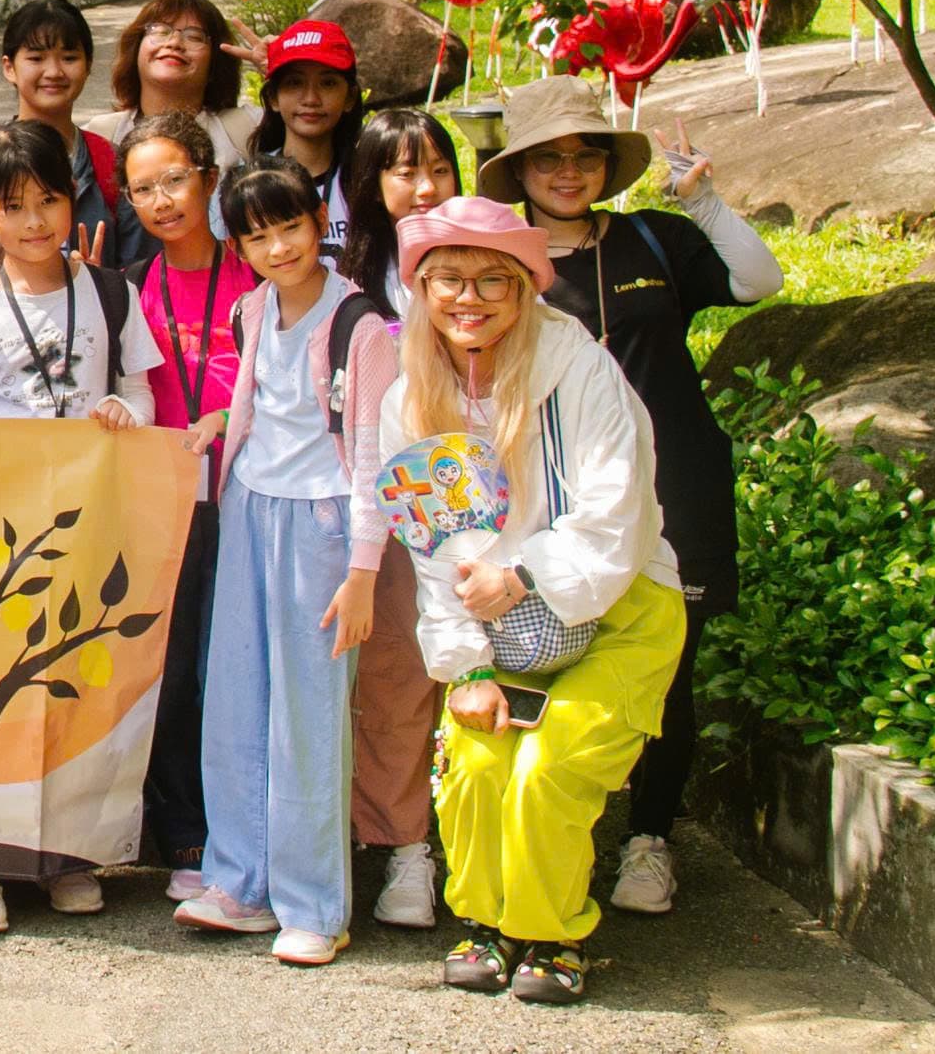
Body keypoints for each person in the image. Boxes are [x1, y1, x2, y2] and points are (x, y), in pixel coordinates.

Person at [473, 75, 782, 916]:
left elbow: (760, 282)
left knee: (665, 665)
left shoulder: (655, 240)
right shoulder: (497, 260)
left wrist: (706, 201)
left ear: (606, 165)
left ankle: (649, 838)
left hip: (672, 479)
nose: (567, 172)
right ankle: (543, 831)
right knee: (534, 651)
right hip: (545, 494)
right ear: (520, 168)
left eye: (583, 155)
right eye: (548, 158)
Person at [380, 195, 685, 1004]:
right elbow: (431, 545)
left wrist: (523, 572)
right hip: (494, 624)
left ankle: (554, 933)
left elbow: (619, 507)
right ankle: (485, 923)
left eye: (491, 280)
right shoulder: (407, 396)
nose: (467, 298)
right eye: (446, 279)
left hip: (620, 608)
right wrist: (464, 665)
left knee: (550, 766)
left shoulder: (577, 366)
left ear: (524, 287)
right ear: (420, 287)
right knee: (475, 756)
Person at [0, 120, 163, 934]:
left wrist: (125, 411)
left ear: (73, 200)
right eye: (14, 206)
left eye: (50, 201)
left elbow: (144, 390)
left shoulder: (112, 291)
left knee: (74, 684)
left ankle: (67, 855)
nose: (35, 222)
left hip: (91, 519)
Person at [173, 156, 395, 967]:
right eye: (258, 233)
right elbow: (254, 404)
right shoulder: (251, 309)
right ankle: (240, 880)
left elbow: (374, 454)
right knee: (235, 700)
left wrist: (365, 568)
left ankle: (315, 903)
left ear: (318, 222)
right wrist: (213, 426)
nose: (278, 246)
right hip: (251, 508)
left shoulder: (360, 325)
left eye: (291, 225)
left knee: (308, 714)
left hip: (326, 522)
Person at [115, 115, 257, 905]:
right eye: (142, 188)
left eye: (174, 179)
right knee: (169, 670)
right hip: (167, 502)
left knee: (232, 666)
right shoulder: (130, 284)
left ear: (206, 173)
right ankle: (183, 826)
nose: (162, 200)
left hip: (252, 496)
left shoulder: (258, 271)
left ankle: (246, 817)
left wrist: (232, 416)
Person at [328, 106, 459, 926]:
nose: (422, 186)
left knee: (480, 669)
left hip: (489, 503)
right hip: (393, 504)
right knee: (398, 681)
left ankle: (478, 842)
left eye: (438, 167)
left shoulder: (483, 259)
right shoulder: (352, 280)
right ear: (369, 185)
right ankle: (405, 849)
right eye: (403, 170)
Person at [0, 0, 129, 263]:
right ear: (9, 68)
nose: (54, 71)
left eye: (69, 58)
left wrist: (99, 285)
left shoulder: (110, 160)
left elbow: (139, 269)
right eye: (36, 58)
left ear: (88, 65)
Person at [86, 0, 261, 169]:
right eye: (160, 31)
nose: (174, 43)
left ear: (216, 63)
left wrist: (277, 68)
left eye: (194, 36)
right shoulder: (99, 137)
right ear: (136, 50)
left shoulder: (250, 128)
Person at [245, 19, 366, 253]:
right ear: (273, 98)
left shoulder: (369, 180)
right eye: (295, 83)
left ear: (350, 98)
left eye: (328, 83)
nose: (311, 98)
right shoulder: (247, 182)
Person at [339, 109, 463, 315]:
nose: (428, 188)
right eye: (407, 174)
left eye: (440, 171)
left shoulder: (482, 255)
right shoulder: (356, 277)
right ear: (374, 187)